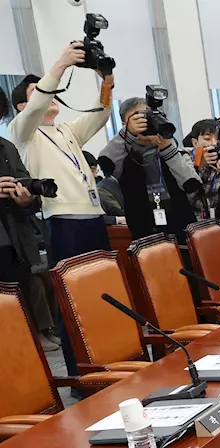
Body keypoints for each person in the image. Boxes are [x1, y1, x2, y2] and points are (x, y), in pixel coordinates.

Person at [10, 42, 115, 377]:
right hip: (62, 221)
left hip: (93, 217)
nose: (52, 94)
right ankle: (82, 375)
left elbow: (101, 114)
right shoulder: (22, 133)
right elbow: (40, 98)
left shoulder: (66, 131)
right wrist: (61, 64)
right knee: (74, 301)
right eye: (40, 91)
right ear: (23, 105)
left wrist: (107, 81)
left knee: (102, 293)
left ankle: (110, 360)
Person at [96, 97, 199, 241]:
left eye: (147, 116)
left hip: (182, 227)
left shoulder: (175, 151)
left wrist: (168, 149)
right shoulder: (123, 156)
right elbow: (105, 163)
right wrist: (127, 135)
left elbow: (191, 184)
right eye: (137, 117)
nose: (144, 122)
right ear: (125, 124)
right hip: (144, 231)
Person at [0, 88, 56, 351]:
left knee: (22, 290)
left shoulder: (6, 147)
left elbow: (24, 184)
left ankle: (31, 338)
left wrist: (26, 199)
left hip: (14, 236)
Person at [85, 152, 125, 223]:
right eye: (92, 171)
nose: (95, 175)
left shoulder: (93, 189)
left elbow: (113, 209)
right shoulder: (102, 188)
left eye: (95, 171)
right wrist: (118, 219)